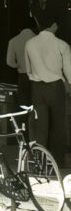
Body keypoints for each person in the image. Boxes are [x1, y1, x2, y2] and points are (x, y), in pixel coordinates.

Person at [24, 10, 71, 167]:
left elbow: (27, 68)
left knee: (40, 126)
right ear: (54, 25)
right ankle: (57, 161)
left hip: (37, 87)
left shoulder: (29, 44)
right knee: (58, 124)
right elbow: (69, 71)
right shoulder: (62, 45)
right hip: (56, 87)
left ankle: (38, 161)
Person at [6, 17, 37, 107]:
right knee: (37, 105)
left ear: (20, 28)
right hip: (37, 77)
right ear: (34, 27)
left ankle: (24, 120)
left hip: (23, 77)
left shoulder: (13, 41)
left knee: (24, 104)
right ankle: (35, 121)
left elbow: (9, 62)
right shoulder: (38, 40)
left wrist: (18, 65)